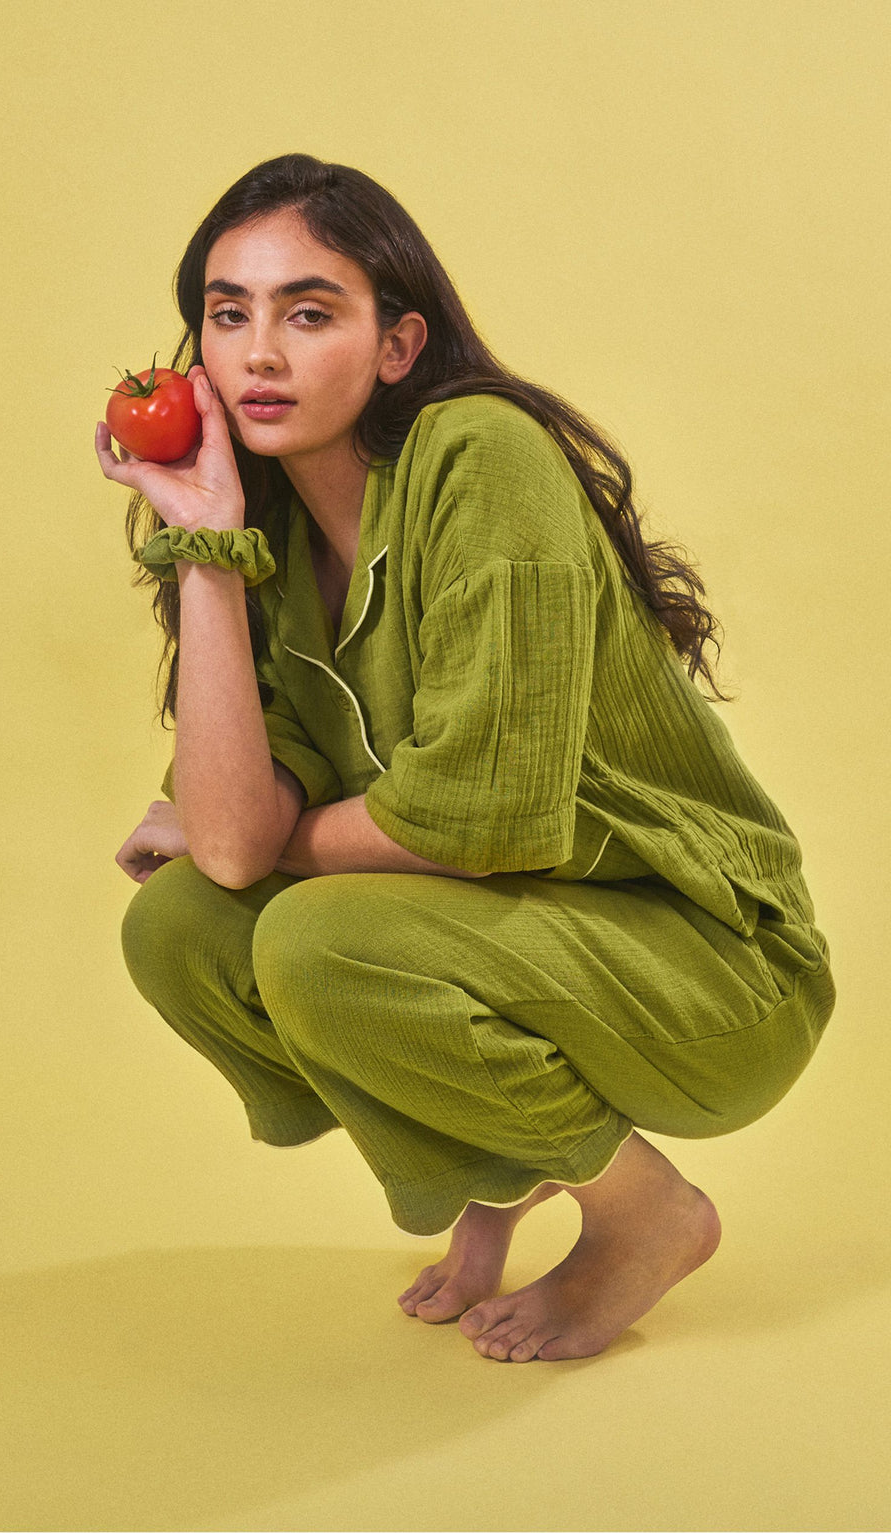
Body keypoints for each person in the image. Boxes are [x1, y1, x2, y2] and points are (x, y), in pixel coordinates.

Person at [94, 153, 836, 1363]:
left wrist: (256, 838)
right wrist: (206, 543)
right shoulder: (262, 528)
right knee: (178, 928)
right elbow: (220, 854)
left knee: (312, 935)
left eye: (310, 311)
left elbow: (483, 820)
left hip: (714, 972)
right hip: (519, 937)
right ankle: (500, 1170)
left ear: (398, 345)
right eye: (228, 314)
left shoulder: (478, 455)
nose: (260, 354)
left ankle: (647, 1220)